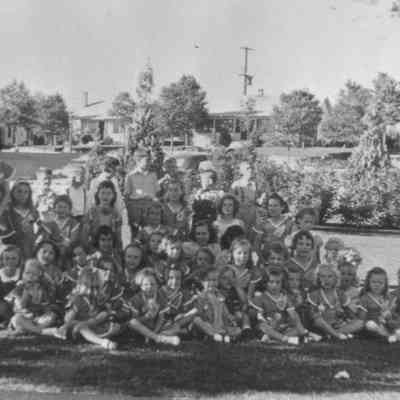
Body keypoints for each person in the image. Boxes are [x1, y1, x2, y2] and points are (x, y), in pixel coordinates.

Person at [51, 267, 119, 349]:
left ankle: (101, 340)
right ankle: (102, 342)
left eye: (95, 288)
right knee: (77, 325)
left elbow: (103, 314)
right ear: (80, 285)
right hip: (80, 328)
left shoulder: (97, 299)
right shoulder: (78, 299)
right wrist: (74, 312)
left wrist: (88, 322)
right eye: (88, 287)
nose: (91, 291)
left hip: (95, 326)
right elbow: (68, 320)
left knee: (82, 325)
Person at [249, 267, 315, 345]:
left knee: (297, 329)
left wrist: (303, 332)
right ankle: (286, 339)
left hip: (282, 328)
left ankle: (276, 340)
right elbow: (259, 318)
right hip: (268, 327)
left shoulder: (285, 297)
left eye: (278, 282)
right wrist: (270, 322)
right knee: (262, 326)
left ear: (282, 283)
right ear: (265, 283)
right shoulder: (260, 298)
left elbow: (294, 315)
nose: (274, 285)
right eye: (271, 282)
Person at [307, 264, 363, 340]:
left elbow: (350, 313)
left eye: (330, 276)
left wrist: (351, 318)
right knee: (318, 321)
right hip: (322, 325)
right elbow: (313, 315)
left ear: (336, 278)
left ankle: (332, 334)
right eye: (322, 276)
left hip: (338, 324)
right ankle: (336, 335)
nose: (326, 279)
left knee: (360, 322)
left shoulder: (340, 293)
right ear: (318, 278)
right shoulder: (315, 294)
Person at [126, 269, 180, 346]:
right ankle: (158, 338)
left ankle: (153, 337)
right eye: (146, 284)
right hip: (142, 326)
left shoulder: (161, 297)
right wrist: (147, 316)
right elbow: (135, 319)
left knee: (176, 326)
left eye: (152, 284)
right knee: (132, 322)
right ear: (141, 286)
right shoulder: (136, 299)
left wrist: (155, 331)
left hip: (155, 325)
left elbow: (161, 317)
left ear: (157, 285)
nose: (149, 287)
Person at [6, 259, 60, 336]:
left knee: (52, 316)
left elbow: (45, 303)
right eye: (27, 273)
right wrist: (26, 291)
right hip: (25, 317)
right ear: (23, 273)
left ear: (39, 275)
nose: (30, 276)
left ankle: (27, 330)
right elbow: (21, 305)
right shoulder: (20, 286)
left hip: (40, 317)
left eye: (34, 274)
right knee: (16, 319)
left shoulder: (42, 287)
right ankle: (42, 331)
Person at [193, 269, 241, 343]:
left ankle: (221, 335)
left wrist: (231, 318)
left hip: (220, 325)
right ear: (203, 282)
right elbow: (199, 312)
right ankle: (215, 334)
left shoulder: (220, 296)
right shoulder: (201, 296)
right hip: (208, 324)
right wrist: (203, 297)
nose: (212, 283)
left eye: (214, 280)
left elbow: (225, 312)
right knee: (197, 320)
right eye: (209, 280)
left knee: (238, 330)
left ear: (218, 281)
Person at [358, 267, 400, 343]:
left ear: (385, 284)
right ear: (368, 282)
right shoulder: (365, 298)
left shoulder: (387, 297)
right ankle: (389, 336)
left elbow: (391, 315)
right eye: (373, 282)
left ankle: (392, 334)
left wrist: (388, 314)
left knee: (392, 324)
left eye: (380, 283)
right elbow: (362, 318)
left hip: (385, 324)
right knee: (370, 325)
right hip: (371, 324)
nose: (377, 285)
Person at [0, 181, 39, 259]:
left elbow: (39, 225)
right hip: (12, 247)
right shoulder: (7, 210)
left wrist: (36, 237)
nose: (22, 195)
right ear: (12, 193)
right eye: (19, 191)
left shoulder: (32, 210)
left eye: (26, 192)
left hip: (29, 247)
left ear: (29, 194)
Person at [82, 181, 123, 251]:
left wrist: (119, 250)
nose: (105, 196)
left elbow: (118, 235)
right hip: (94, 247)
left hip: (110, 248)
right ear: (97, 194)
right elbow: (85, 235)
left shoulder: (116, 214)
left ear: (114, 196)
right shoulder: (91, 212)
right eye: (102, 193)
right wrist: (88, 249)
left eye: (109, 193)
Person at [125, 148, 160, 228]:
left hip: (150, 205)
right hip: (135, 205)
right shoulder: (130, 176)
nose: (149, 163)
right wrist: (129, 207)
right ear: (138, 161)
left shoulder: (153, 175)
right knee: (135, 229)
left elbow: (157, 191)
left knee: (149, 229)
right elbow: (127, 193)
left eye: (149, 161)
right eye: (146, 161)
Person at [0, 245, 23, 324]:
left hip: (19, 302)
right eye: (7, 258)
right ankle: (9, 321)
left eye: (14, 258)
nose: (10, 261)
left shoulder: (23, 273)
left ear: (18, 259)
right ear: (2, 260)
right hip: (3, 303)